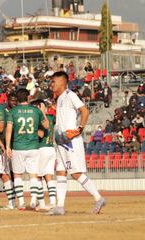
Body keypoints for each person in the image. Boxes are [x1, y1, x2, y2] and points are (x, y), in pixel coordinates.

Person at [48, 71, 105, 216]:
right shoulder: (60, 98)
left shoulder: (70, 95)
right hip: (61, 141)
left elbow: (85, 111)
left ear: (62, 82)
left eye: (54, 81)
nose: (51, 84)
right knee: (60, 172)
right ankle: (60, 206)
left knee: (75, 173)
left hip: (71, 141)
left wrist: (79, 129)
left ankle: (98, 198)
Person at [5, 89, 49, 210]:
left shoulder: (12, 111)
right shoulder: (35, 111)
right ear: (28, 98)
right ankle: (34, 200)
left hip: (18, 146)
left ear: (17, 99)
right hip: (33, 146)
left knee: (17, 175)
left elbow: (9, 129)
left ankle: (21, 202)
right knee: (33, 175)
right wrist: (43, 112)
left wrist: (8, 146)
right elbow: (46, 126)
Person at [36, 101, 57, 210]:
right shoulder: (51, 117)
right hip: (51, 148)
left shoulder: (40, 118)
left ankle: (41, 203)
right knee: (49, 176)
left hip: (42, 148)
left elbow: (41, 134)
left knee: (38, 176)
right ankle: (53, 202)